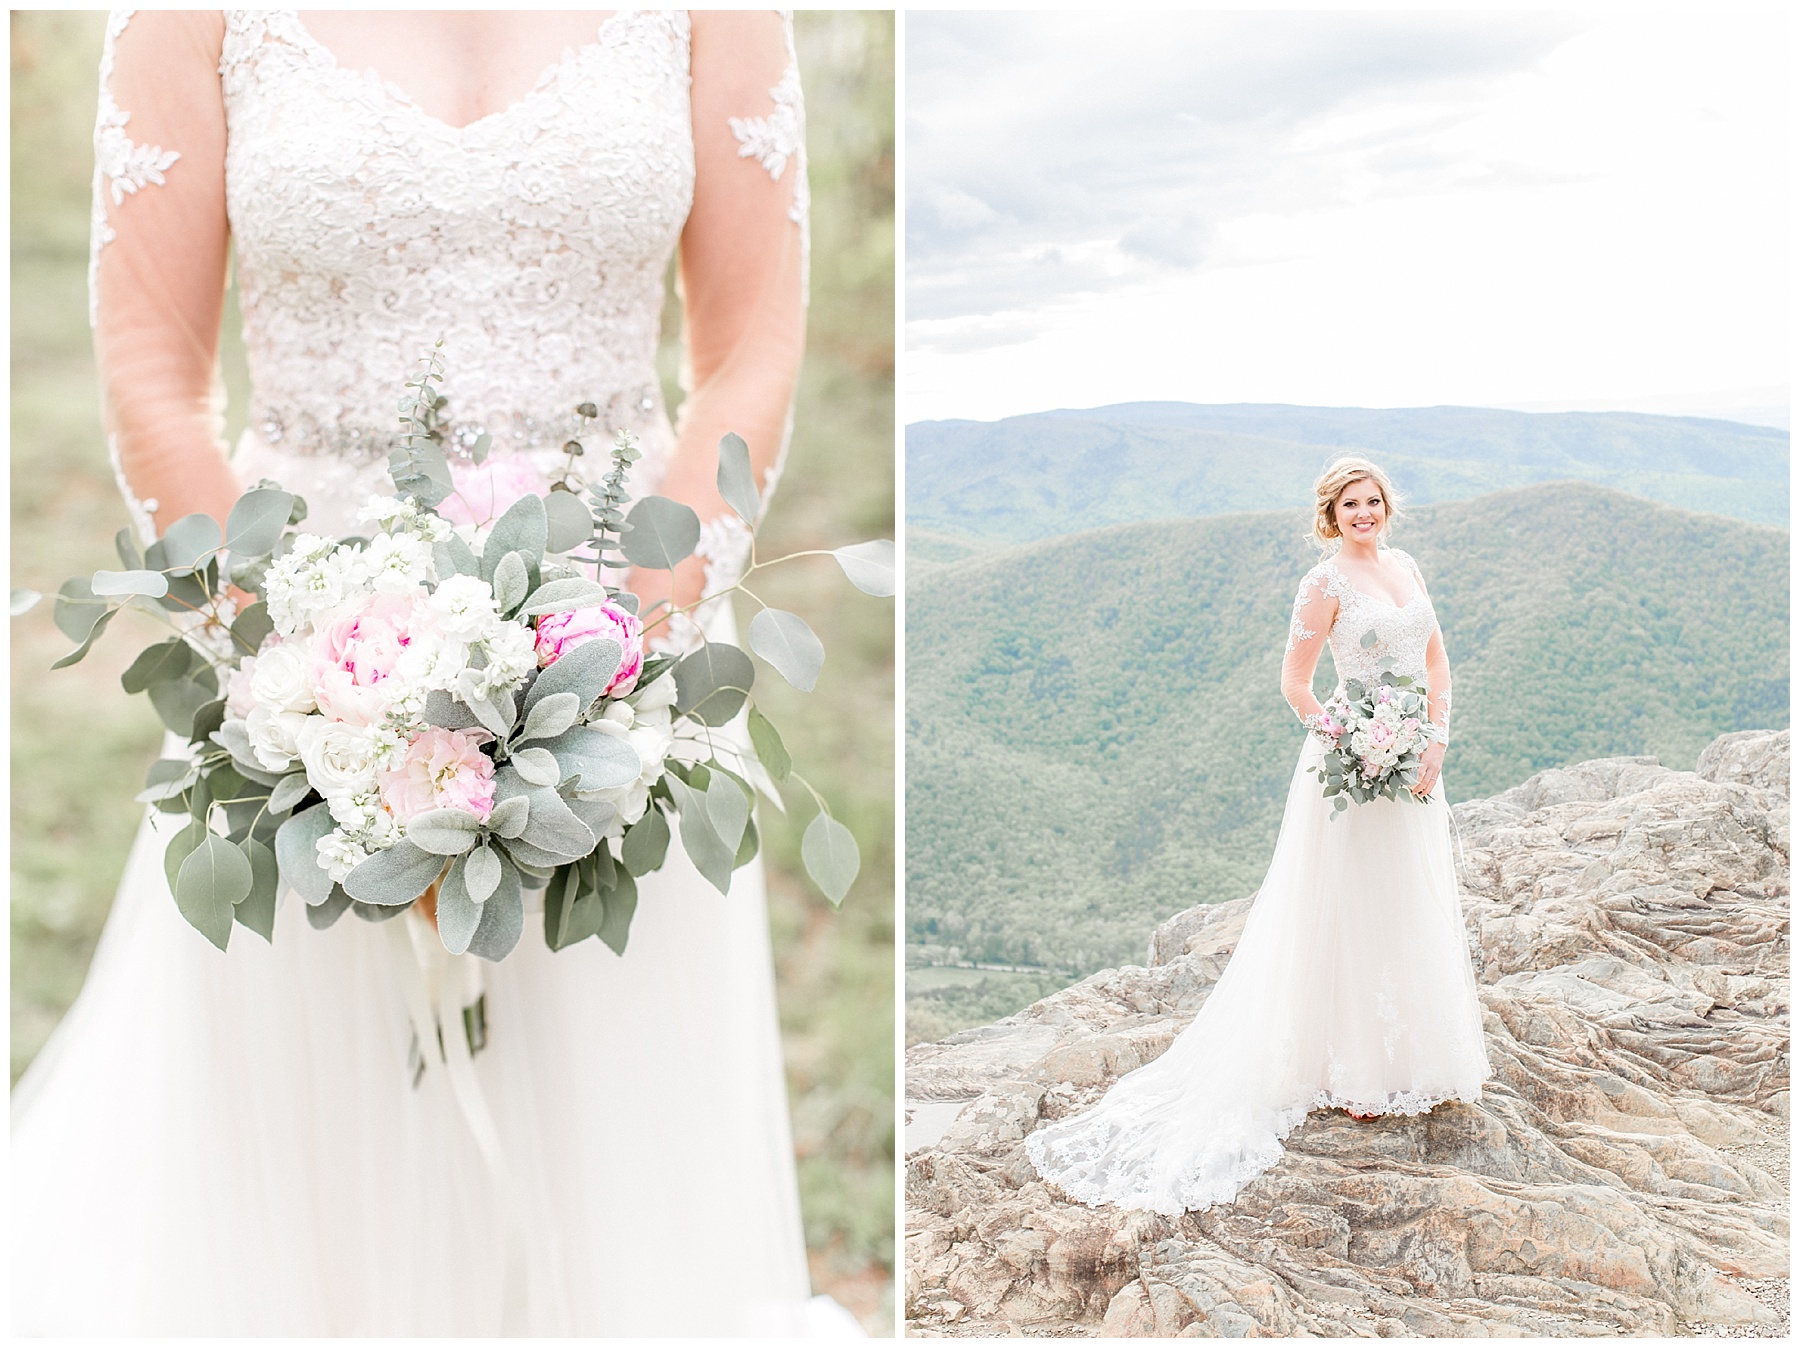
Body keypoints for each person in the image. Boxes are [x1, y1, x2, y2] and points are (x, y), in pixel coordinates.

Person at [12, 10, 862, 1335]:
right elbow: (155, 379)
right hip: (300, 681)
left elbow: (745, 349)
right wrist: (301, 692)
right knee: (311, 1162)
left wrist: (620, 663)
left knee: (615, 1157)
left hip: (630, 658)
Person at [1025, 456, 1490, 1217]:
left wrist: (1433, 742)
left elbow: (1436, 660)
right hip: (1350, 763)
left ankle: (1410, 1058)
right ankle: (1347, 1073)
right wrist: (1346, 738)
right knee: (1345, 908)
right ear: (1330, 514)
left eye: (1373, 501)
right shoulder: (1323, 584)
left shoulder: (1406, 566)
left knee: (1405, 905)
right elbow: (1296, 682)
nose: (1364, 513)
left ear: (1387, 507)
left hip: (1413, 765)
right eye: (1350, 504)